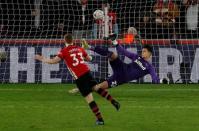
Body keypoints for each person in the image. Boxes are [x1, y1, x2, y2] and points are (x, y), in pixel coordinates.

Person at [35, 34, 120, 125]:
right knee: (96, 88)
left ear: (65, 41)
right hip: (87, 72)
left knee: (89, 98)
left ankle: (100, 120)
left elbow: (53, 61)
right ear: (73, 40)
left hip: (79, 77)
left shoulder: (64, 51)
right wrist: (83, 52)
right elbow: (90, 58)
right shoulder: (79, 48)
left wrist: (42, 59)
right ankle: (113, 101)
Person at [70, 34, 159, 93]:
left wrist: (161, 81)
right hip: (122, 67)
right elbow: (123, 51)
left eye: (144, 51)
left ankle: (80, 89)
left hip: (121, 78)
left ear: (149, 53)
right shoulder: (137, 57)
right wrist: (115, 42)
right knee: (112, 55)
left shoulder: (149, 67)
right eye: (142, 51)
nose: (142, 53)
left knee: (99, 87)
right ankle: (89, 47)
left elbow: (155, 78)